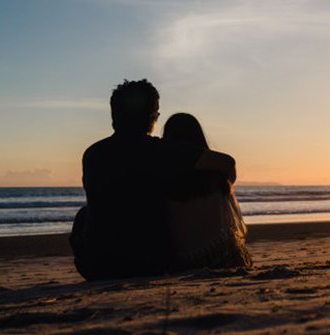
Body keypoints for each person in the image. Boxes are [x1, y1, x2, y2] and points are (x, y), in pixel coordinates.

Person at [70, 79, 237, 281]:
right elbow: (227, 163)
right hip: (152, 263)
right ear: (152, 117)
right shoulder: (164, 150)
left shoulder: (92, 154)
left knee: (85, 214)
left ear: (114, 116)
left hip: (96, 266)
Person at [162, 113, 252, 269]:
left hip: (180, 256)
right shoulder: (216, 175)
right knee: (224, 185)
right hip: (217, 251)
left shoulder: (162, 174)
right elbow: (230, 166)